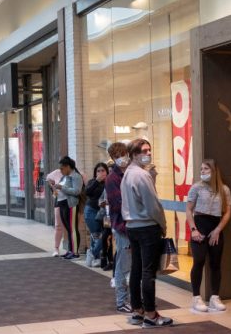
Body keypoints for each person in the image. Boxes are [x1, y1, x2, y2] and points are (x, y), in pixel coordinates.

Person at [122, 138, 173, 328]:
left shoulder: (128, 173)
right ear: (134, 154)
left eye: (149, 150)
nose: (148, 153)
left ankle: (138, 311)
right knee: (148, 272)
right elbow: (153, 205)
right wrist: (163, 224)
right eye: (144, 151)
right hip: (146, 226)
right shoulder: (141, 176)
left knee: (137, 269)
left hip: (132, 226)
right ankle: (151, 315)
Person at [186, 159, 231, 312]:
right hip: (199, 227)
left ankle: (214, 297)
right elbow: (189, 210)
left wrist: (218, 229)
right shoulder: (196, 187)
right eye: (201, 169)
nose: (202, 171)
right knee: (198, 261)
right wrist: (194, 230)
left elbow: (227, 212)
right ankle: (196, 297)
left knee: (215, 263)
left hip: (216, 228)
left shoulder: (224, 189)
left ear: (214, 171)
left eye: (206, 169)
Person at [105, 142, 132, 312]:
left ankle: (133, 298)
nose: (123, 158)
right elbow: (117, 204)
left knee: (133, 265)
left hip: (135, 225)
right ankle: (121, 301)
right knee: (123, 265)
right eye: (118, 156)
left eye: (124, 154)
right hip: (122, 226)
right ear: (113, 159)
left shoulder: (130, 173)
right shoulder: (112, 179)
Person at [50, 156, 84, 259]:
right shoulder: (64, 177)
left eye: (62, 168)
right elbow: (58, 191)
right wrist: (54, 186)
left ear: (68, 167)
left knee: (72, 228)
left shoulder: (76, 176)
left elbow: (77, 191)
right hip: (62, 203)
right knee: (68, 229)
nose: (61, 170)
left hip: (71, 204)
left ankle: (75, 252)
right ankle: (70, 250)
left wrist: (62, 187)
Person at [84, 162, 108, 267]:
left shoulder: (109, 182)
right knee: (96, 235)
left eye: (103, 170)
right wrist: (97, 181)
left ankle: (92, 253)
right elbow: (87, 192)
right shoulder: (92, 181)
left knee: (102, 235)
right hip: (91, 211)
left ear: (107, 171)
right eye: (98, 171)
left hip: (104, 212)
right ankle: (95, 256)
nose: (101, 173)